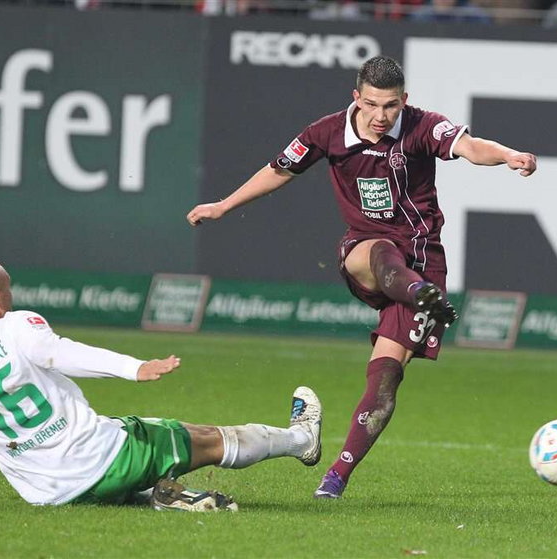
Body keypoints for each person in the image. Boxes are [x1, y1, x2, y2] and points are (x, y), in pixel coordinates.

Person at [186, 56, 536, 499]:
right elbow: (279, 170)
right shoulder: (327, 132)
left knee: (386, 379)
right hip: (367, 250)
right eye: (371, 104)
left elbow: (469, 146)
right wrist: (221, 206)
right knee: (380, 253)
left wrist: (508, 156)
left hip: (424, 257)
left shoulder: (421, 126)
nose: (380, 116)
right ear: (356, 98)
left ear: (403, 102)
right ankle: (417, 294)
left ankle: (336, 476)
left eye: (390, 106)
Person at [0, 259, 322, 510]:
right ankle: (303, 438)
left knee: (126, 431)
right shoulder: (15, 326)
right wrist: (135, 367)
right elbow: (64, 353)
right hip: (102, 458)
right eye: (7, 289)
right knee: (208, 438)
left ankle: (163, 498)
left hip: (47, 491)